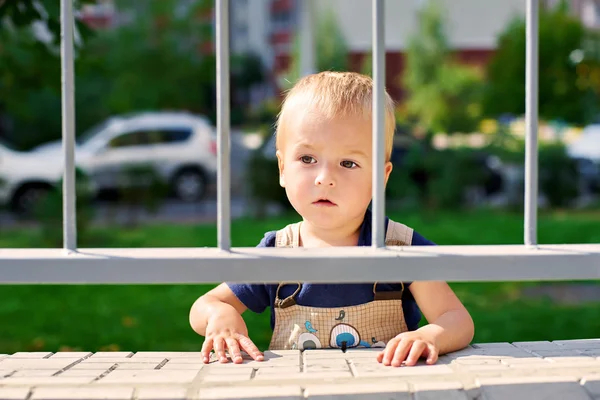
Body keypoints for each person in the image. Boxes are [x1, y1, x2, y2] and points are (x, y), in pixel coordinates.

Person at [189, 71, 474, 368]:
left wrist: (430, 336)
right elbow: (205, 305)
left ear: (381, 177)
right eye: (308, 159)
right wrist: (221, 316)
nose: (325, 179)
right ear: (283, 168)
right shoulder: (278, 251)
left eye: (348, 163)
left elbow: (456, 319)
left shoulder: (399, 246)